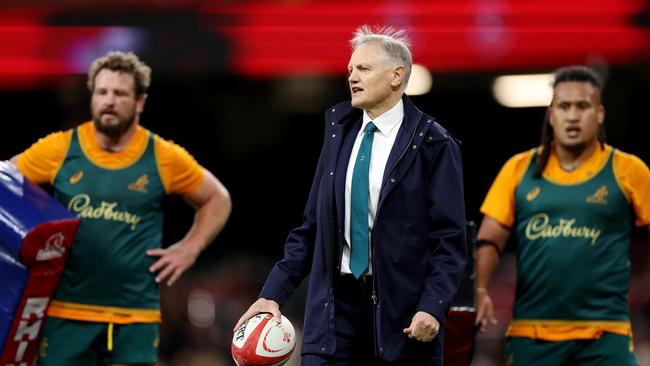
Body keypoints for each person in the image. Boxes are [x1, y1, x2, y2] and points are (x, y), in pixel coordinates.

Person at [235, 25, 467, 365]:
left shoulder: (434, 143)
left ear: (396, 76)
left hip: (402, 317)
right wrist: (272, 294)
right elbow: (311, 227)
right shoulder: (338, 131)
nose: (352, 77)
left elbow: (449, 242)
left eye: (364, 68)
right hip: (334, 311)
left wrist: (432, 307)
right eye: (350, 70)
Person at [11, 51, 232, 366]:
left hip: (135, 316)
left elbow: (217, 198)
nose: (109, 101)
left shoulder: (163, 156)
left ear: (140, 101)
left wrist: (190, 248)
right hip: (65, 312)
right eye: (102, 92)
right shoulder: (59, 148)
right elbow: (6, 183)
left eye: (120, 93)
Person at [474, 65, 650, 365]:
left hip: (606, 335)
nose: (572, 115)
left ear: (600, 114)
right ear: (551, 115)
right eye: (563, 106)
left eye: (582, 106)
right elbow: (490, 237)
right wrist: (479, 289)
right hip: (532, 335)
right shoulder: (518, 169)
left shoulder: (630, 170)